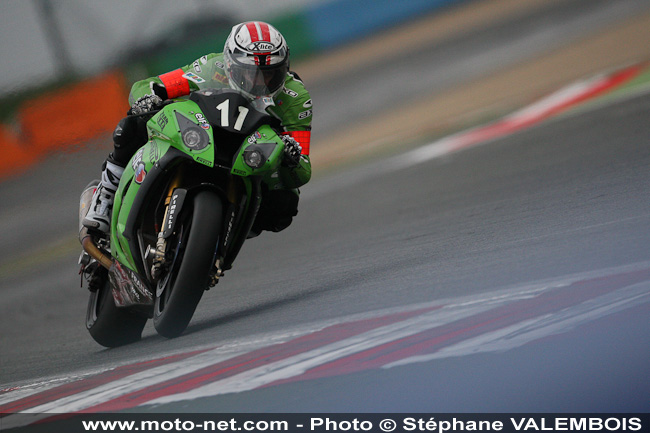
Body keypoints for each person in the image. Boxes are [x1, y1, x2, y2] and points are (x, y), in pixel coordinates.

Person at [83, 21, 312, 237]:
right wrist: (148, 98)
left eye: (271, 74)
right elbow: (149, 86)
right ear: (230, 65)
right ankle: (106, 194)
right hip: (203, 136)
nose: (260, 83)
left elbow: (302, 171)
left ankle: (225, 234)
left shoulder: (296, 98)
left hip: (249, 157)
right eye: (251, 74)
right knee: (132, 124)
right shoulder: (212, 67)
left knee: (285, 203)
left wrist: (292, 158)